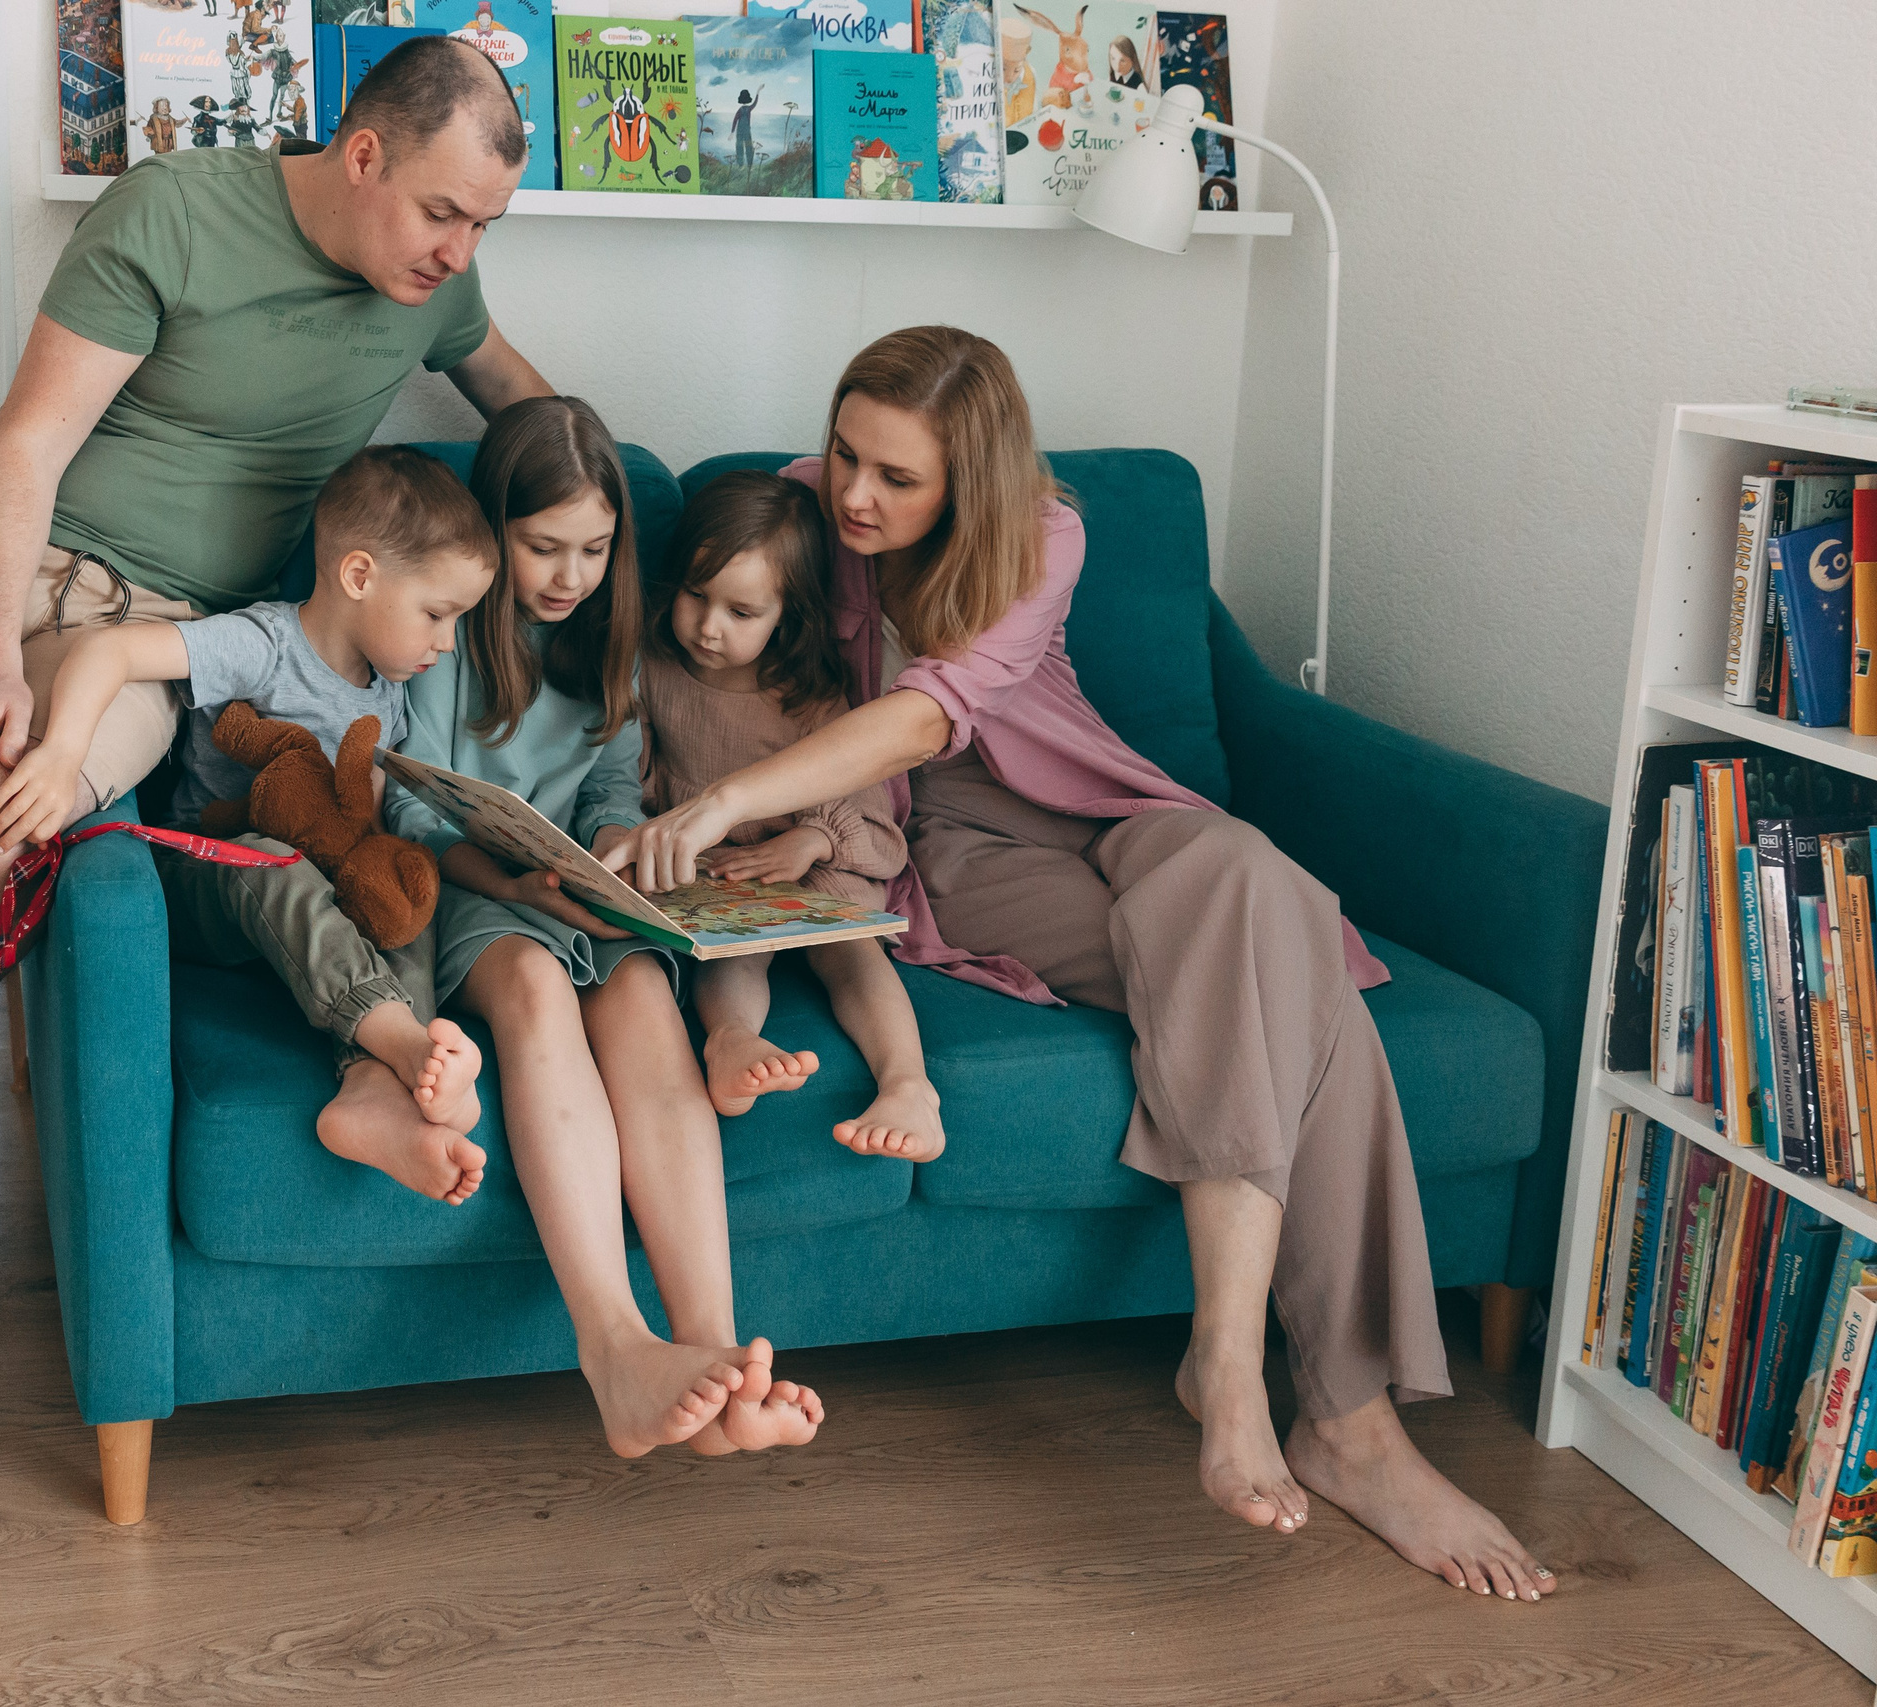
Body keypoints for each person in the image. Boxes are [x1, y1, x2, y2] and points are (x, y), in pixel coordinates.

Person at [603, 326, 1558, 1602]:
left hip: (1098, 807)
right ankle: (1348, 1422)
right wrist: (772, 818)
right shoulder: (800, 513)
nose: (855, 494)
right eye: (846, 454)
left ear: (971, 482)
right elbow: (844, 728)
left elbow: (935, 706)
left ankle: (1226, 1359)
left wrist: (723, 810)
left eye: (897, 477)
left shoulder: (1045, 534)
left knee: (1244, 878)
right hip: (950, 842)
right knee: (1292, 980)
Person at [0, 37, 552, 1386]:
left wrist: (618, 533)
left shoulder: (429, 294)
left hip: (144, 634)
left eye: (485, 224)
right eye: (443, 212)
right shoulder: (173, 210)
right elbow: (33, 443)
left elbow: (522, 394)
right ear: (362, 155)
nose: (460, 252)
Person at [382, 397, 821, 1458]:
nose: (569, 575)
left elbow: (612, 780)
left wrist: (619, 843)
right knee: (536, 988)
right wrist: (514, 881)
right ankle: (613, 1347)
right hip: (473, 888)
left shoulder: (606, 643)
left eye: (594, 548)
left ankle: (713, 1352)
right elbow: (403, 807)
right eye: (542, 548)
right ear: (493, 533)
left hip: (575, 886)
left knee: (636, 996)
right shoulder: (445, 631)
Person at [0, 445, 498, 1205]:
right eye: (437, 613)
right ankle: (402, 1040)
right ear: (360, 577)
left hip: (319, 915)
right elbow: (109, 648)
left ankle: (368, 1090)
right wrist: (62, 751)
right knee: (269, 859)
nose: (448, 643)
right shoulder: (264, 645)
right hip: (211, 883)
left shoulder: (391, 692)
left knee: (402, 884)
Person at [640, 469, 941, 1159]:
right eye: (695, 595)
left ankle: (908, 1084)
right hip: (721, 875)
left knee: (853, 953)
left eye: (741, 613)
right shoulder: (653, 669)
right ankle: (731, 1040)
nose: (709, 628)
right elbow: (633, 778)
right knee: (732, 955)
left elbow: (864, 796)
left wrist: (812, 839)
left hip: (811, 862)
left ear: (788, 614)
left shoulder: (806, 690)